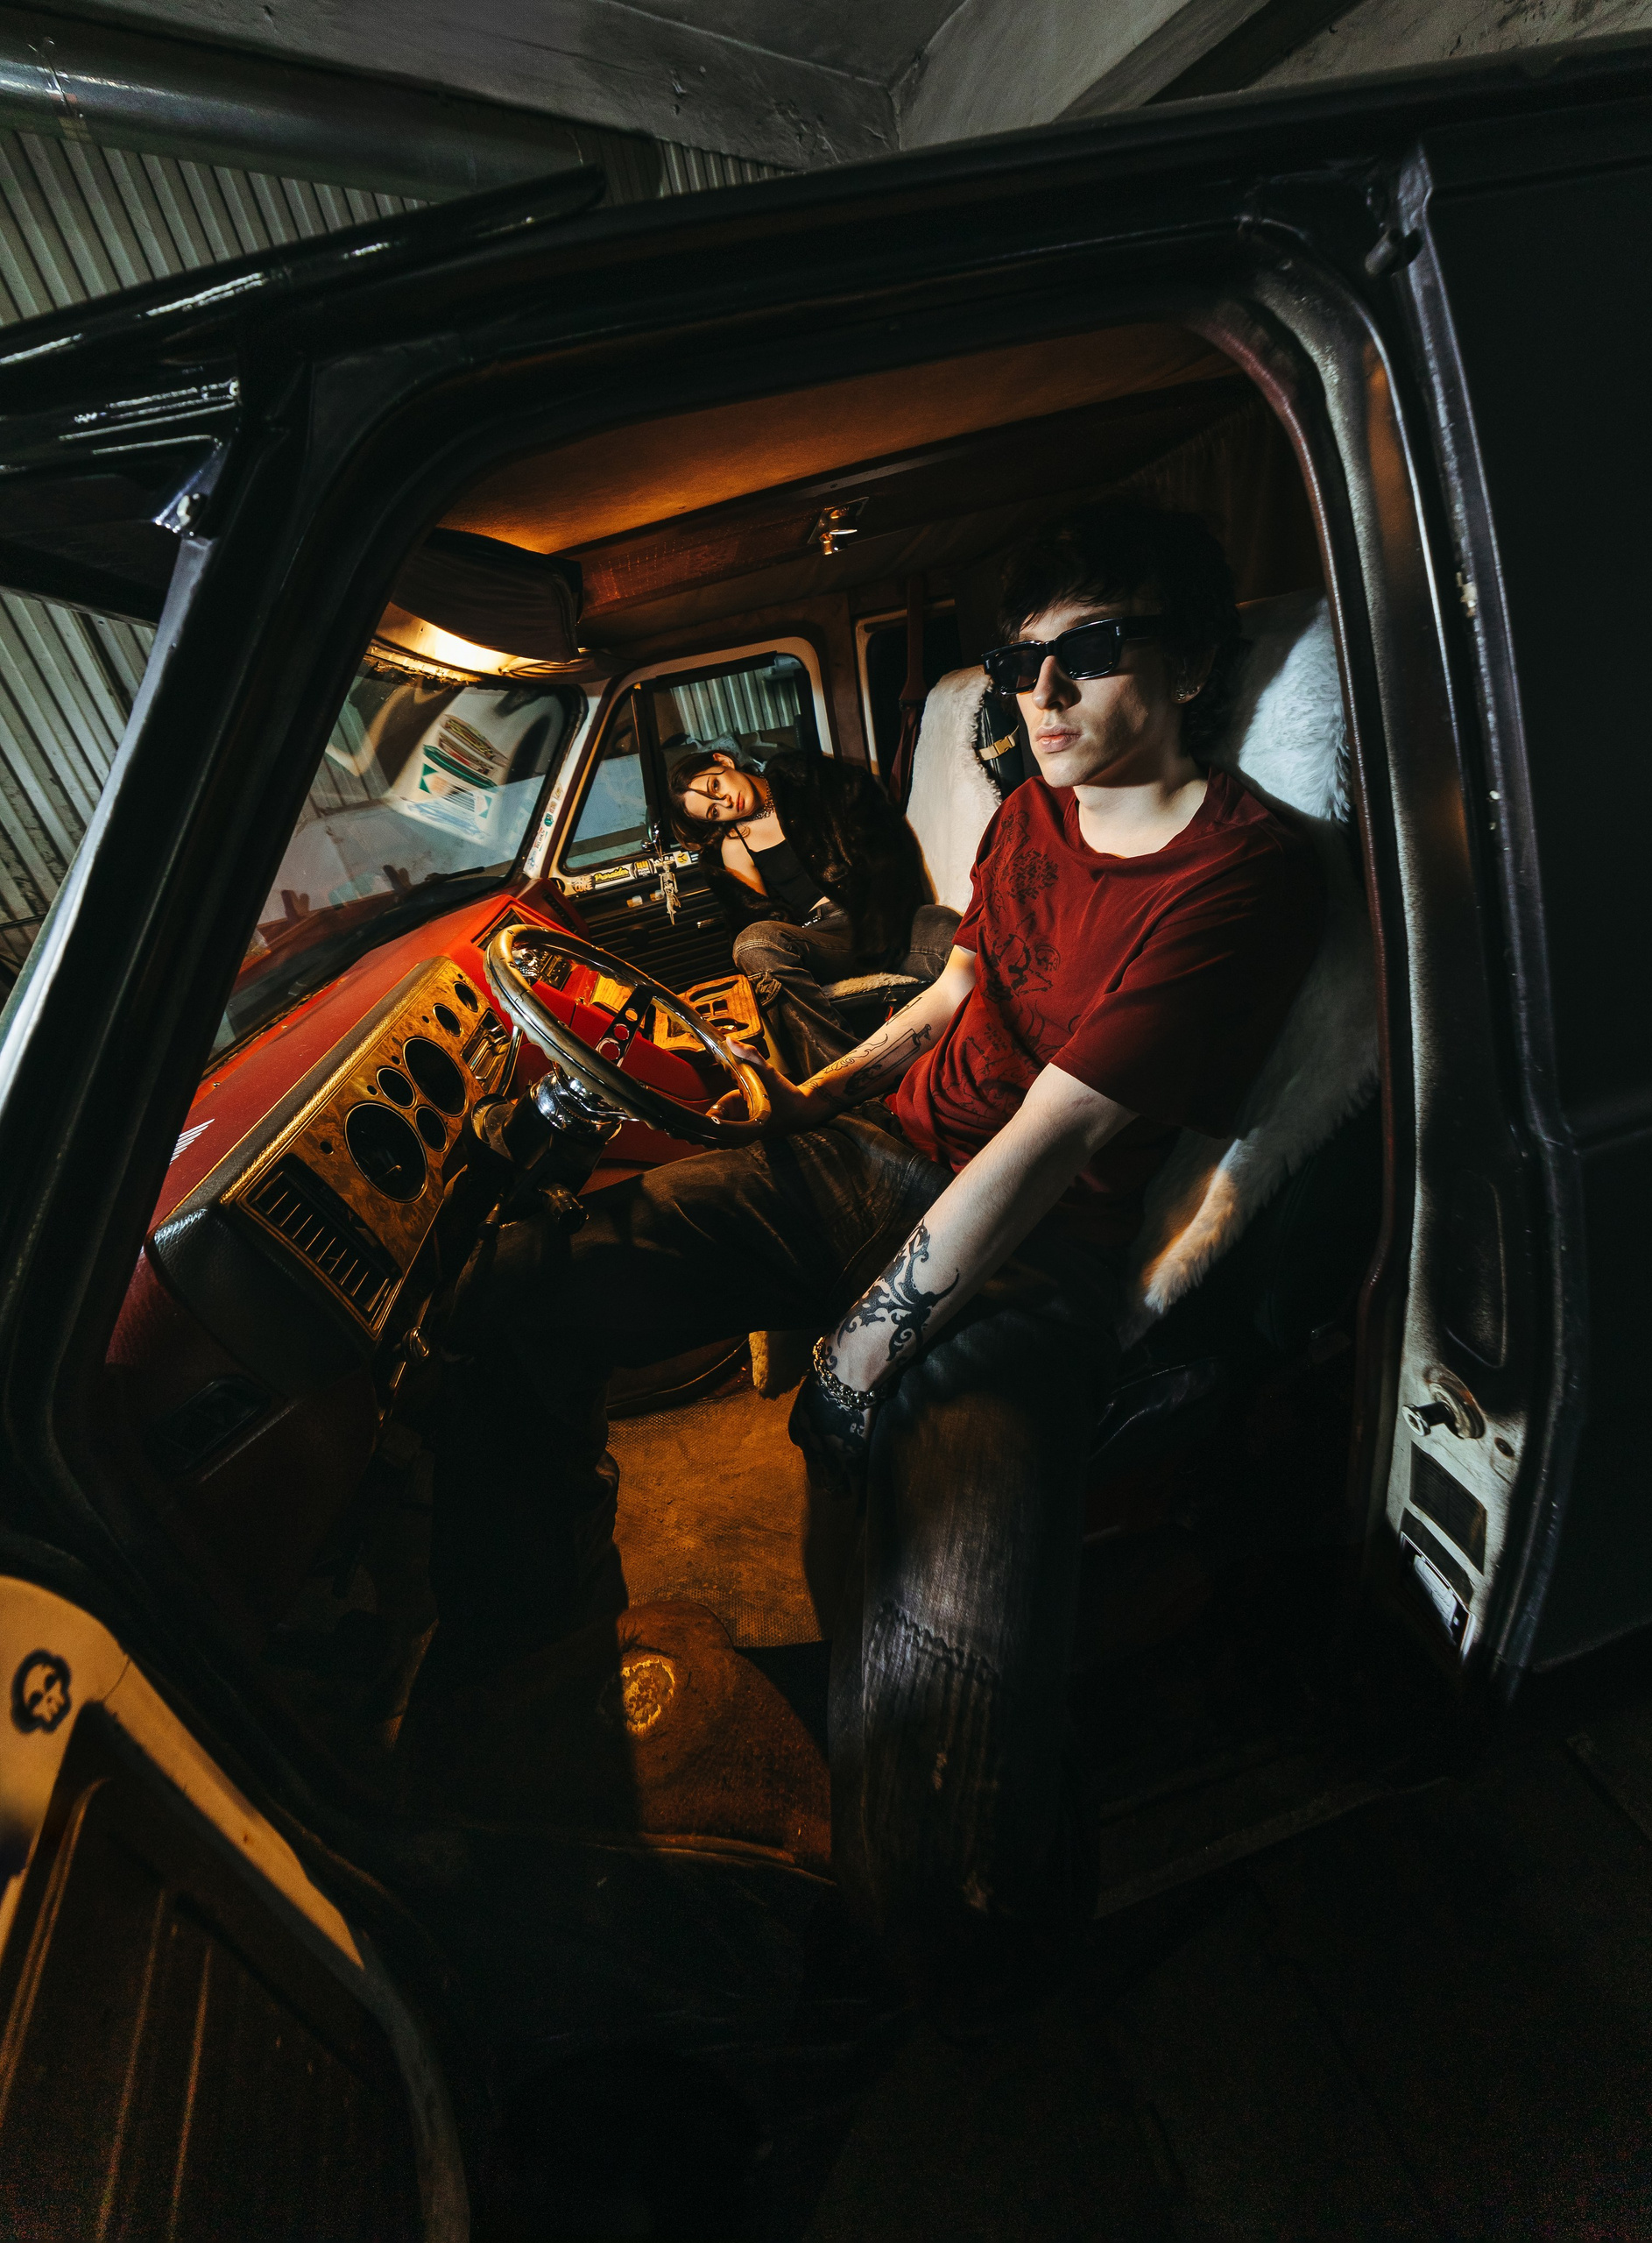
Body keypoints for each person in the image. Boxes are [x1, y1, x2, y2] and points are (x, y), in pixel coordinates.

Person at [429, 501, 1324, 2022]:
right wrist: (818, 1097)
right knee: (513, 1293)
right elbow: (962, 988)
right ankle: (533, 1671)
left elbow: (1048, 1144)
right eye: (1019, 666)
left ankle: (968, 1988)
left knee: (939, 1776)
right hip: (881, 1157)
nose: (1041, 695)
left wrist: (854, 1362)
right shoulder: (1034, 811)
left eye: (1091, 653)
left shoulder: (1244, 876)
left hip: (1033, 1255)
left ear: (1188, 666)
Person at [668, 740, 959, 1077]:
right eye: (714, 812)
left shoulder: (809, 780)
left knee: (947, 926)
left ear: (723, 761)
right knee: (752, 943)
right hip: (826, 939)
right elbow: (759, 918)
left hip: (888, 916)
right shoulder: (736, 846)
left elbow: (885, 842)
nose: (725, 802)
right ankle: (847, 1082)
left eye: (715, 787)